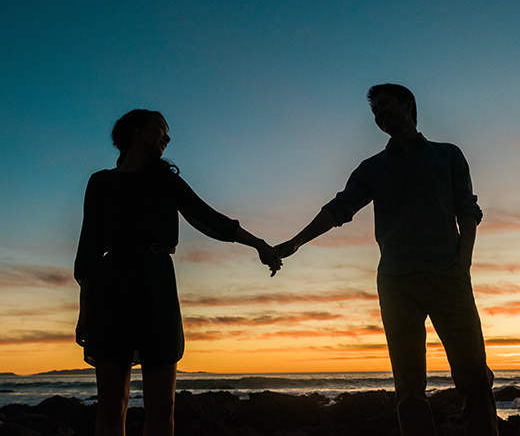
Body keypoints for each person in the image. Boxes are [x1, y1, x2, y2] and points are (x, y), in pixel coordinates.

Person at [275, 84, 498, 436]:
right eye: (375, 111)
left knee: (473, 376)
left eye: (384, 105)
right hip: (396, 283)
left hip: (448, 276)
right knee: (408, 388)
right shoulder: (373, 168)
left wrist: (463, 264)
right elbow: (339, 208)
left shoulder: (448, 155)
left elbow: (467, 211)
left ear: (408, 105)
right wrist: (296, 241)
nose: (380, 114)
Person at [74, 109, 281, 436]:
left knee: (163, 406)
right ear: (136, 129)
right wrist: (85, 311)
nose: (167, 137)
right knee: (113, 404)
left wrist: (259, 245)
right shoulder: (101, 182)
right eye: (160, 128)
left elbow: (208, 218)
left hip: (157, 285)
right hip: (110, 289)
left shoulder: (165, 180)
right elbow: (87, 251)